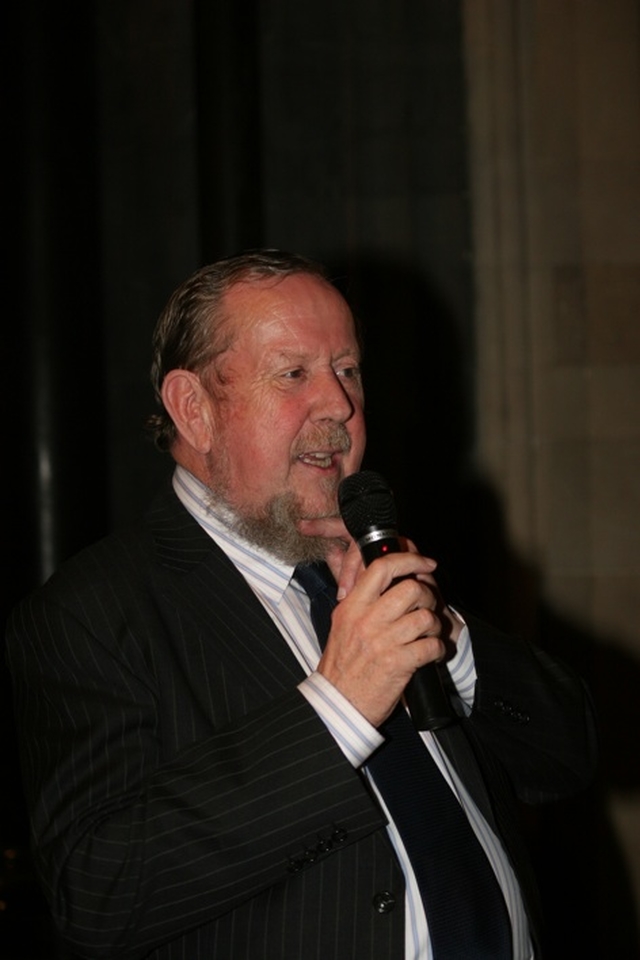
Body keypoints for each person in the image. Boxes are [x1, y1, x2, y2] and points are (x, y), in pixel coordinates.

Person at [6, 250, 596, 960]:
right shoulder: (93, 613)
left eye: (347, 370)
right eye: (294, 374)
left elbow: (568, 759)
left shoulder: (380, 566)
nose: (339, 404)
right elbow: (99, 890)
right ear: (194, 408)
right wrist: (340, 706)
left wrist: (445, 636)